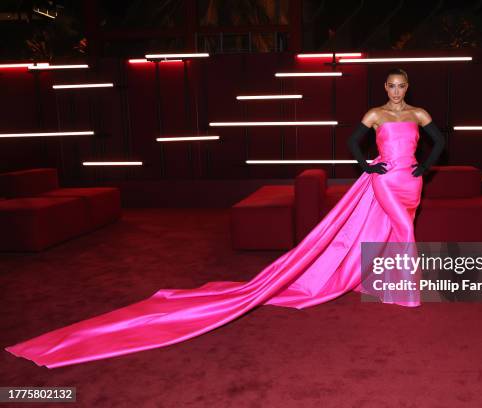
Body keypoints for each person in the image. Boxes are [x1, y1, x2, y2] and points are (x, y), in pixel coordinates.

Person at [5, 68, 445, 368]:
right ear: (384, 88)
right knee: (404, 229)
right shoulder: (373, 116)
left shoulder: (420, 113)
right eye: (390, 85)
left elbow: (439, 141)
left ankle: (378, 279)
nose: (395, 92)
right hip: (386, 180)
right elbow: (351, 143)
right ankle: (404, 292)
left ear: (408, 88)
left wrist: (427, 167)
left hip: (411, 182)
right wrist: (367, 166)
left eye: (400, 86)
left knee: (395, 227)